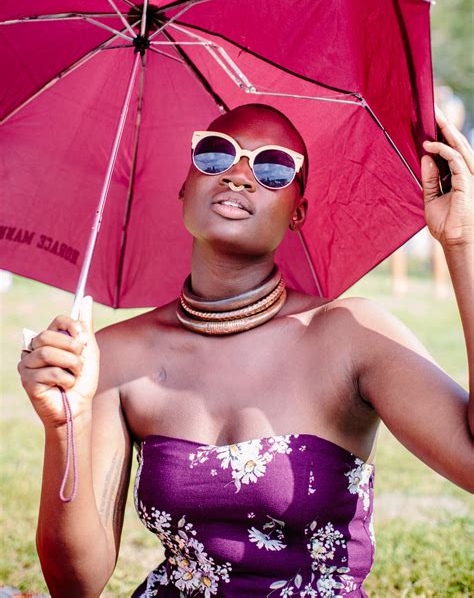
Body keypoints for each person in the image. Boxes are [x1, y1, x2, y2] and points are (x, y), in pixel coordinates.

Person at [18, 103, 473, 597]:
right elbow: (75, 584)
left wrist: (463, 244)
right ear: (185, 189)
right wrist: (66, 427)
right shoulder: (115, 354)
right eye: (215, 155)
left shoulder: (349, 334)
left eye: (273, 166)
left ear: (298, 211)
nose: (238, 175)